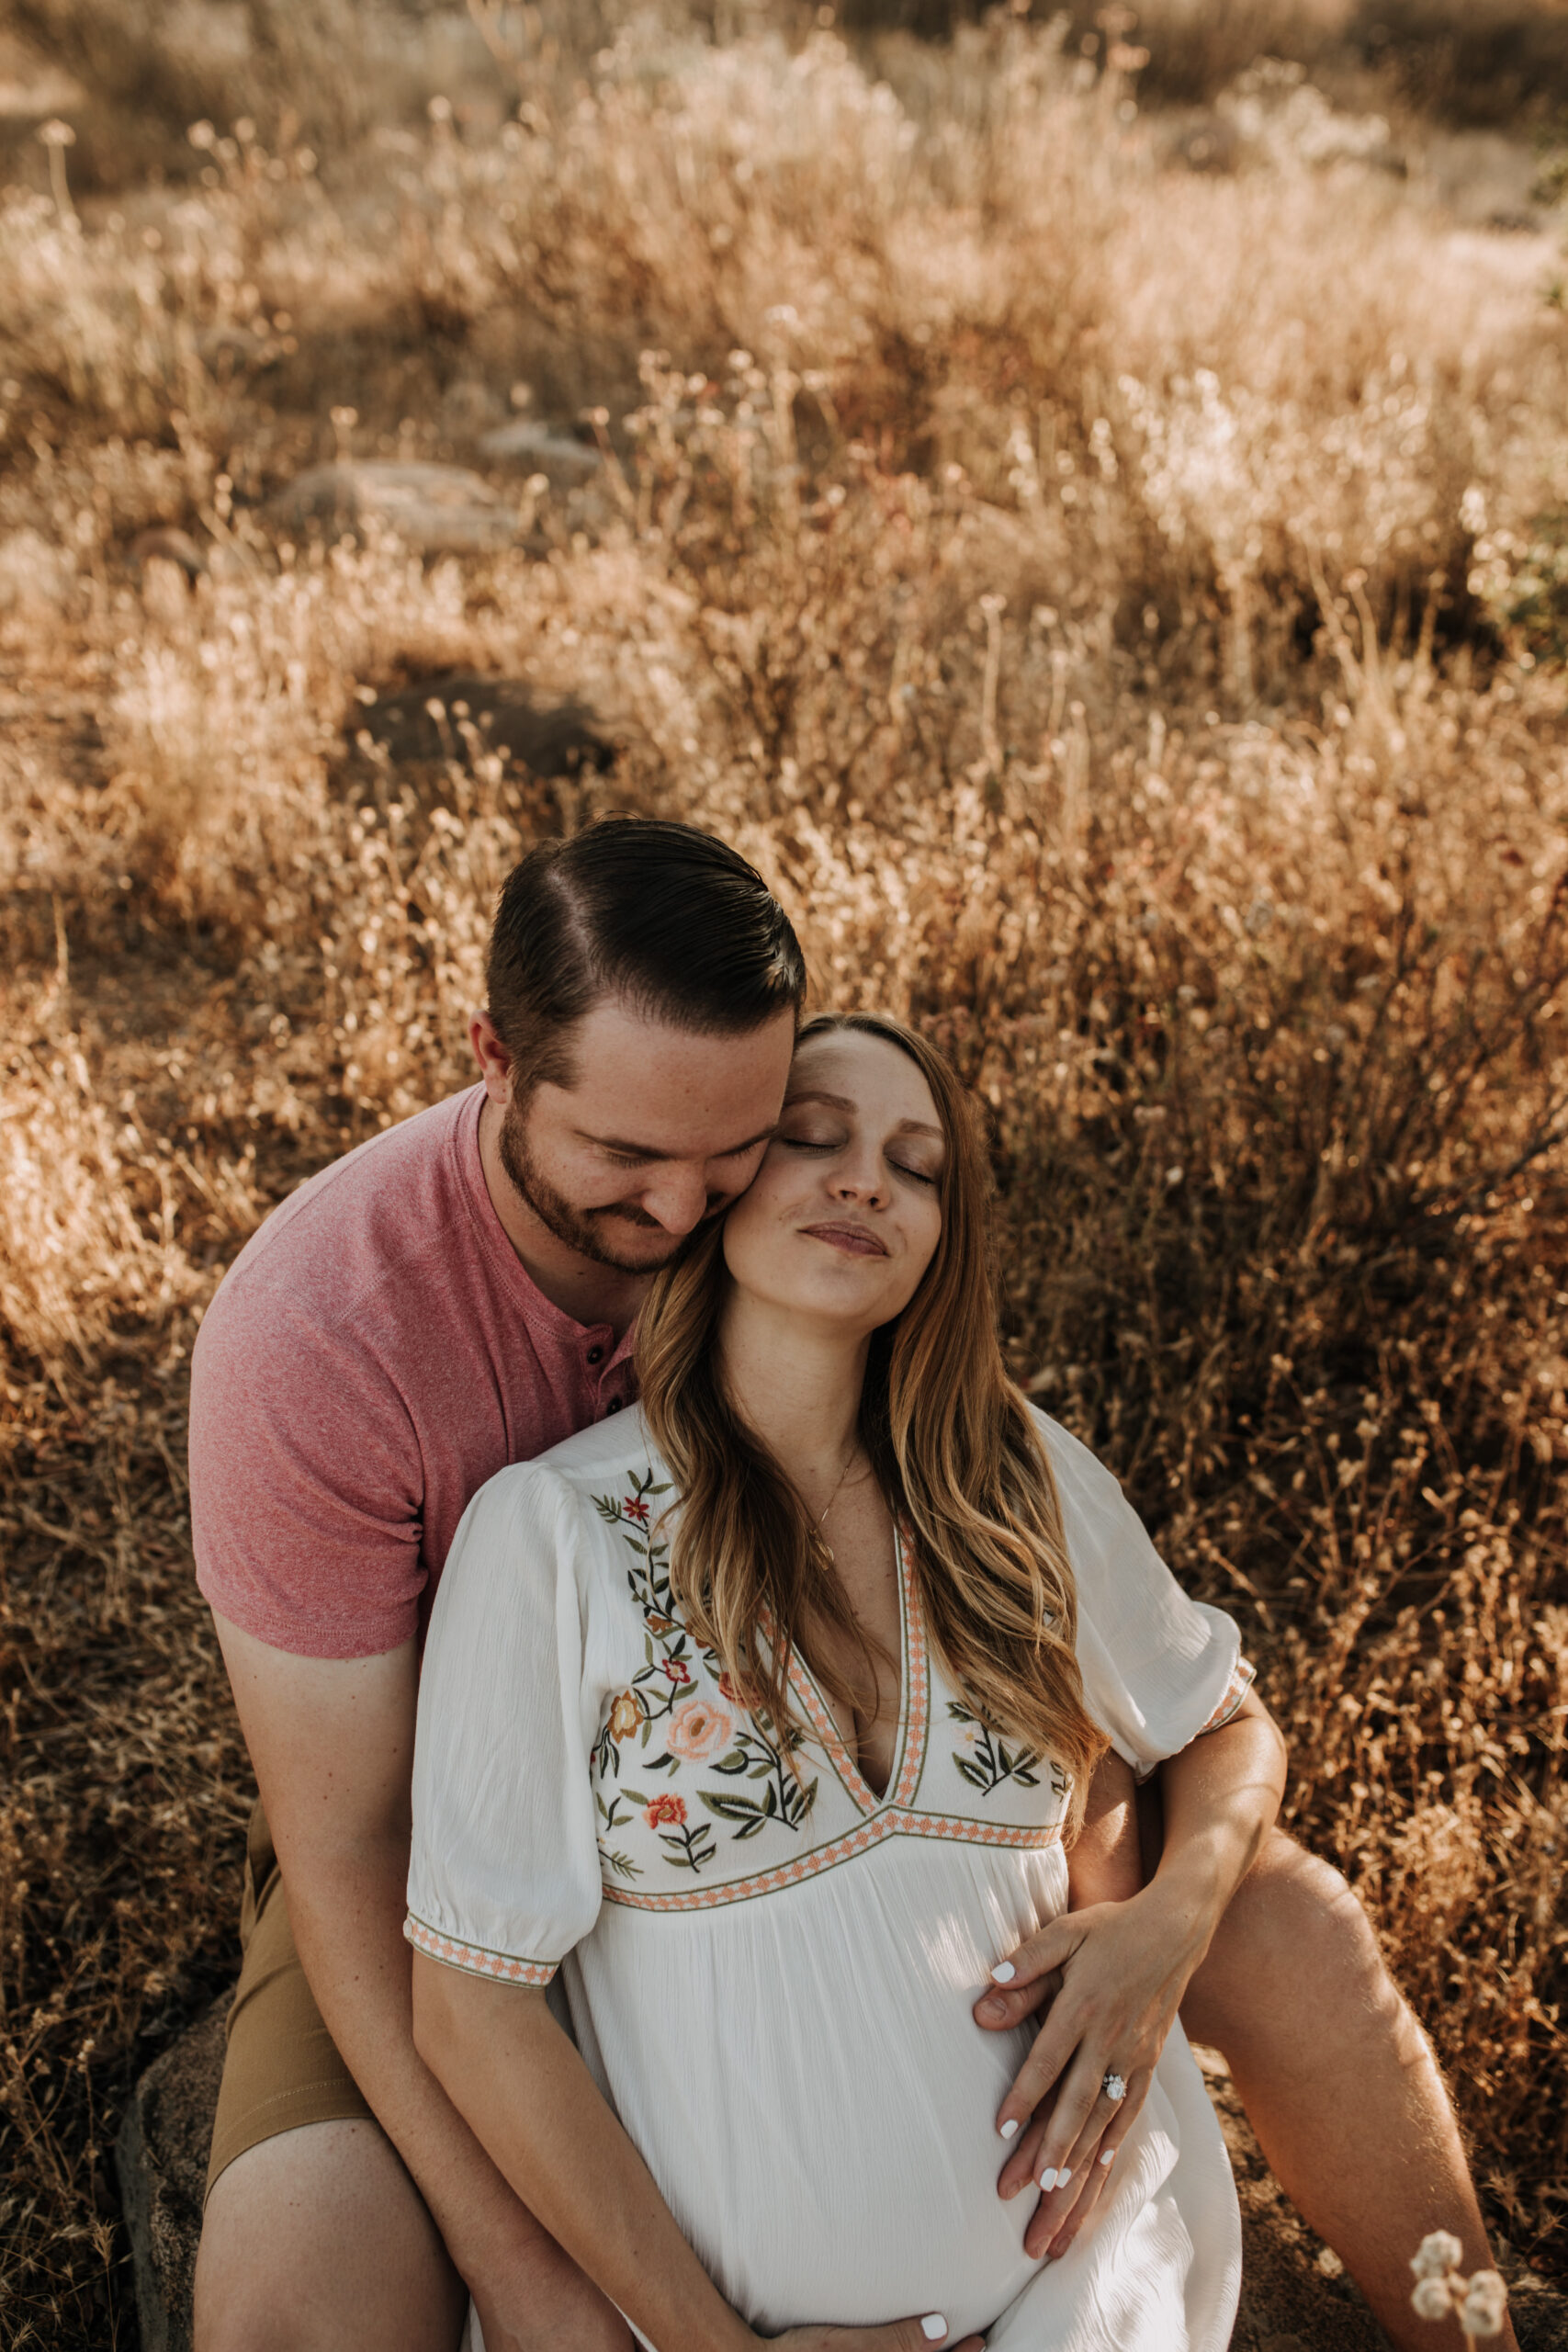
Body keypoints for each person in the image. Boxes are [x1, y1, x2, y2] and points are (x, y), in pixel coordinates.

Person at [189, 819, 1517, 2352]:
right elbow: (359, 1851)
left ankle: (1472, 2336)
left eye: (738, 1146)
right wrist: (564, 2306)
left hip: (929, 1864)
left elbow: (1190, 1707)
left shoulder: (947, 1420)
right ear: (491, 1056)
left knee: (1287, 1921)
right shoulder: (324, 1343)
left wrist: (1151, 1905)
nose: (683, 1215)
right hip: (408, 1815)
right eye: (626, 1160)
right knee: (308, 2299)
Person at [408, 1012, 1285, 2351]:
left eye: (918, 1166)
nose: (868, 1180)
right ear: (717, 1186)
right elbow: (472, 2005)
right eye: (813, 1139)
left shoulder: (1016, 1479)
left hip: (1097, 2281)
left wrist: (1174, 1918)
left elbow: (1226, 1728)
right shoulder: (553, 1532)